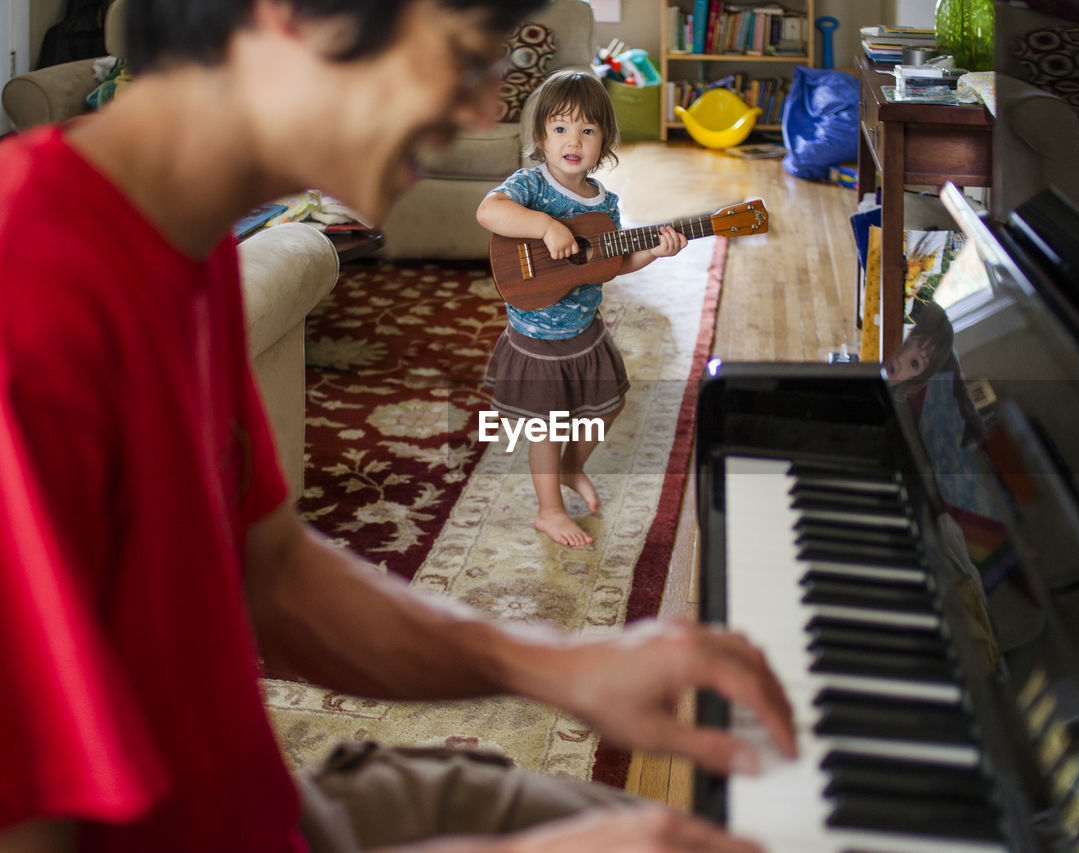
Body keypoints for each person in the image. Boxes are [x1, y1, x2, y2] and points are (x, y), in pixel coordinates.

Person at [0, 2, 796, 852]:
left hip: (265, 803)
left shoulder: (181, 245)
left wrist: (551, 665)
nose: (484, 109)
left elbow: (272, 568)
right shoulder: (35, 301)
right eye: (461, 57)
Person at [477, 70, 688, 548]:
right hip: (536, 335)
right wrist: (544, 227)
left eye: (587, 130)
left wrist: (653, 250)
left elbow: (611, 262)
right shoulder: (531, 185)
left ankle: (574, 468)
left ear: (604, 141)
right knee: (548, 427)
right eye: (560, 128)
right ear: (541, 137)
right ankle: (549, 511)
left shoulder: (605, 204)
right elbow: (488, 212)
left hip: (585, 330)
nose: (573, 140)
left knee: (607, 407)